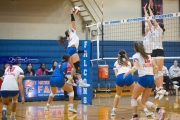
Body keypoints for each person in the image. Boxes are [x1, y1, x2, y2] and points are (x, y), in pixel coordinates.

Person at [124, 41, 165, 120]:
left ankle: (135, 116)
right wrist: (152, 74)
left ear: (135, 48)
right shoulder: (148, 56)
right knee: (144, 101)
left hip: (144, 78)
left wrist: (127, 73)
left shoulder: (136, 56)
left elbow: (135, 67)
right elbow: (156, 67)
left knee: (133, 97)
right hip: (151, 78)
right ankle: (159, 110)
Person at [58, 8, 90, 87]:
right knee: (77, 65)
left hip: (70, 51)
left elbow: (75, 50)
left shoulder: (70, 39)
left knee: (74, 68)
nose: (71, 29)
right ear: (69, 32)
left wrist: (82, 51)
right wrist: (71, 13)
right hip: (71, 50)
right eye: (69, 29)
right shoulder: (72, 33)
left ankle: (69, 80)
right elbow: (73, 23)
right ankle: (81, 82)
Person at [148, 0, 166, 100]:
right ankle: (158, 89)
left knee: (159, 70)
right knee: (154, 71)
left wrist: (151, 9)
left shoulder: (159, 29)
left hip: (159, 51)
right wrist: (146, 11)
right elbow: (149, 22)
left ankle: (161, 87)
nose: (155, 24)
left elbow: (153, 19)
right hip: (153, 51)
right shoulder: (154, 30)